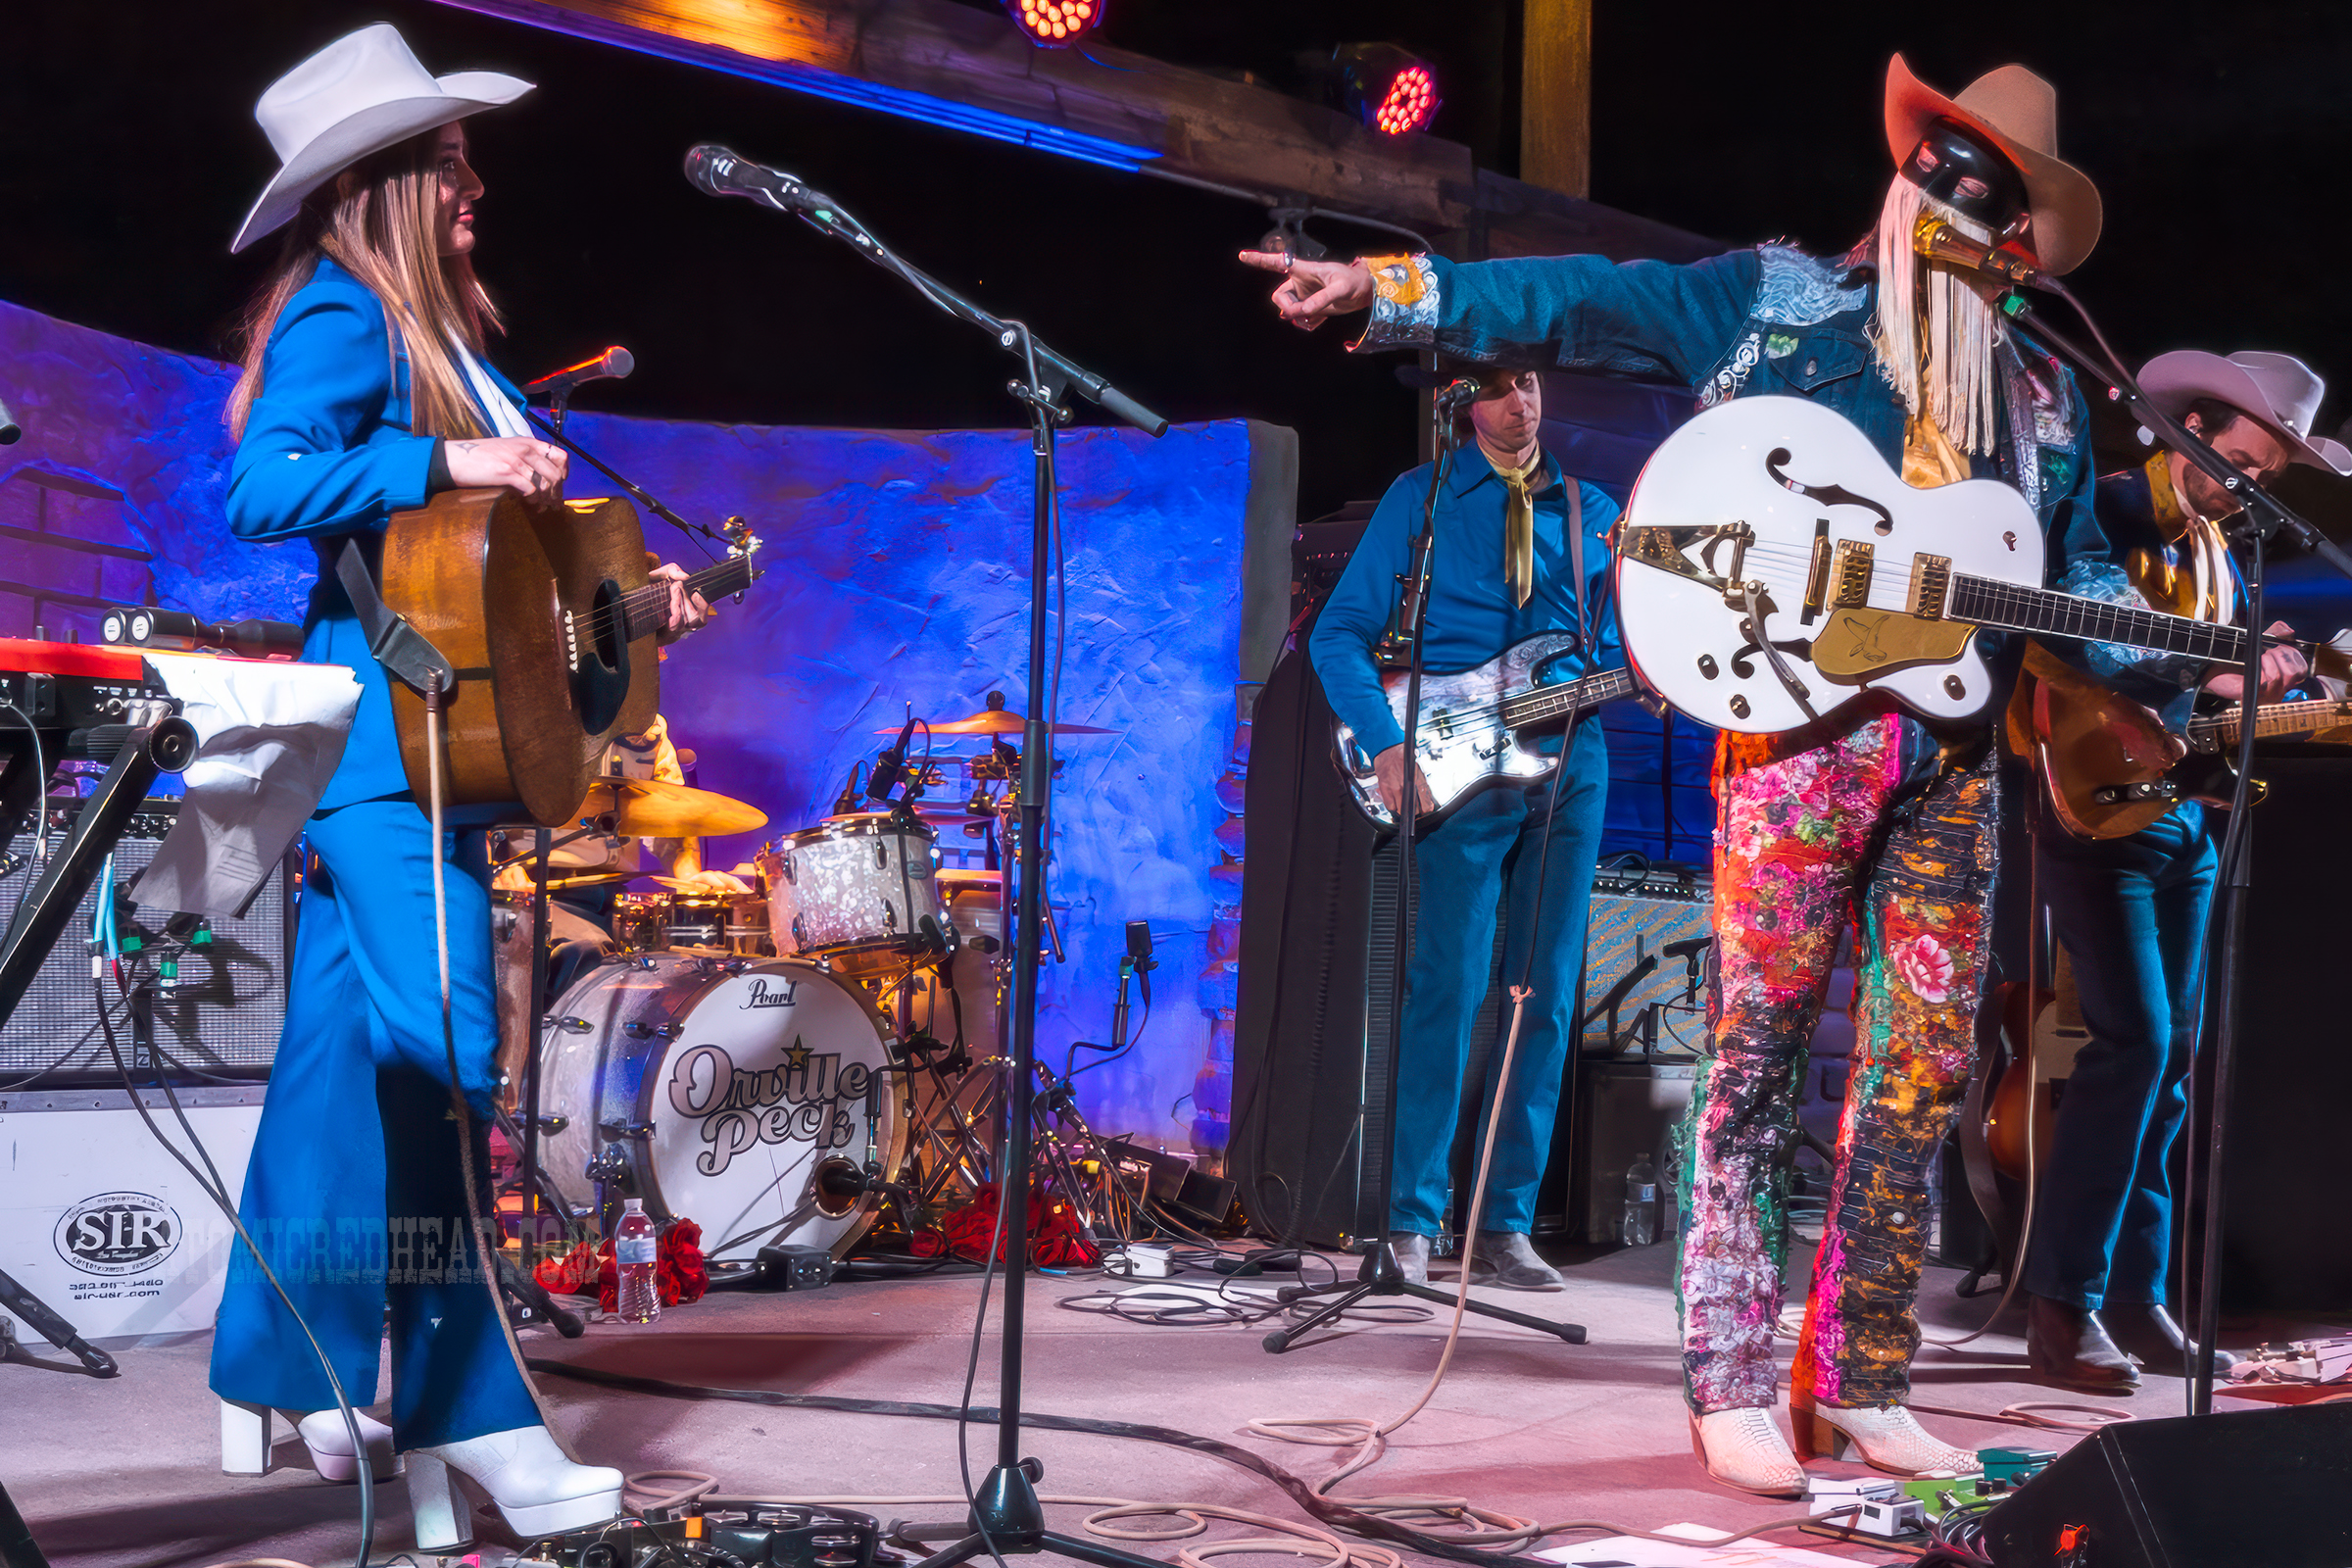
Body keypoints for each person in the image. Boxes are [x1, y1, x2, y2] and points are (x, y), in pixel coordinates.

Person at [1247, 56, 2104, 1494]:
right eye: (1943, 171)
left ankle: (1861, 1381)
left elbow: (2067, 570)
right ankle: (1728, 1376)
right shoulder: (1780, 303)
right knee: (1757, 1053)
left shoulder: (2045, 396)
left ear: (2018, 229)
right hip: (1799, 734)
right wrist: (1404, 294)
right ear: (1904, 181)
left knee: (1920, 1068)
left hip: (1954, 755)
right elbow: (1587, 296)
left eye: (1990, 194)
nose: (1958, 203)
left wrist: (2186, 660)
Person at [207, 24, 708, 1549]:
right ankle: (475, 1417)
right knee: (447, 1075)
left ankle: (272, 1372)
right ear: (379, 189)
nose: (472, 179)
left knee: (340, 1068)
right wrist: (451, 468)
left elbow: (479, 594)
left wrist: (628, 621)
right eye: (444, 159)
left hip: (438, 760)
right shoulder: (347, 315)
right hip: (380, 763)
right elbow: (260, 488)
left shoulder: (453, 348)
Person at [2018, 351, 2338, 1391]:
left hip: (2180, 815)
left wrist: (2284, 676)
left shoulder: (2222, 549)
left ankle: (2133, 1294)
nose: (2250, 483)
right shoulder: (2106, 508)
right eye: (2241, 459)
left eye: (2269, 472)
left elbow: (2217, 692)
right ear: (2191, 425)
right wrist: (2179, 677)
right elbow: (2060, 633)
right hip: (2091, 802)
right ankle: (2060, 1307)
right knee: (2135, 1041)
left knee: (2174, 1059)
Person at [1307, 363, 1620, 1291]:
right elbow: (1339, 634)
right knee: (1446, 986)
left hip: (1572, 757)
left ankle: (1504, 1223)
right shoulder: (1425, 497)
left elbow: (1639, 633)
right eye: (1499, 388)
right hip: (1455, 762)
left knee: (1547, 994)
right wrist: (1386, 742)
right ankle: (1411, 1220)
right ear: (1462, 405)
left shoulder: (1592, 505)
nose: (1522, 401)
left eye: (1529, 383)